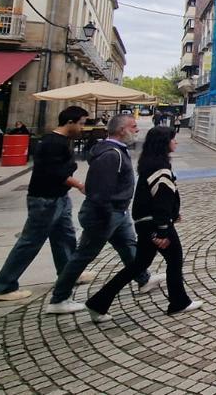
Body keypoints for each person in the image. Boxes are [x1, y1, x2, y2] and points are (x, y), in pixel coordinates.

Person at [46, 113, 159, 314]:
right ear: (122, 130)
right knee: (83, 255)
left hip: (117, 212)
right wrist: (106, 217)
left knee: (128, 246)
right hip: (106, 214)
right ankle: (59, 298)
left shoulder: (114, 151)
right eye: (133, 126)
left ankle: (143, 279)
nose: (137, 130)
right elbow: (100, 191)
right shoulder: (111, 155)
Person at [85, 127, 201, 321]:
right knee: (174, 260)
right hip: (155, 224)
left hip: (145, 223)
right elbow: (161, 200)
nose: (176, 142)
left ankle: (98, 302)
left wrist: (172, 214)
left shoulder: (149, 164)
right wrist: (163, 230)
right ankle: (179, 301)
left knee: (139, 264)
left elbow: (155, 197)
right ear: (165, 143)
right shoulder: (161, 169)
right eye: (173, 139)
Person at [0, 106, 89, 302]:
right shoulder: (53, 143)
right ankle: (3, 287)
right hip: (45, 200)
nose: (83, 128)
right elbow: (55, 172)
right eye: (82, 123)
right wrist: (79, 185)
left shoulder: (58, 141)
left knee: (64, 236)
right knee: (30, 242)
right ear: (70, 122)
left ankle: (68, 273)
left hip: (58, 197)